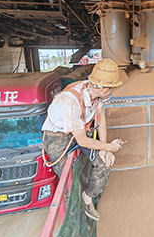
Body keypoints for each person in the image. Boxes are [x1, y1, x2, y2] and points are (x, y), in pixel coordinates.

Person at [41, 58, 124, 221]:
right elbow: (83, 141)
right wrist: (109, 146)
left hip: (78, 130)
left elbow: (100, 118)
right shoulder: (71, 101)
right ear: (103, 88)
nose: (111, 91)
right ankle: (72, 216)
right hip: (57, 135)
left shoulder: (96, 94)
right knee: (69, 178)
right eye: (110, 88)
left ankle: (87, 199)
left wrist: (105, 150)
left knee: (104, 162)